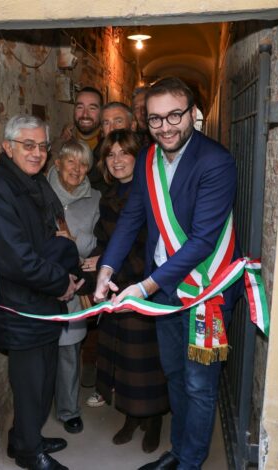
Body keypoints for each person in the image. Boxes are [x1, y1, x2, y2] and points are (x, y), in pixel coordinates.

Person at [94, 78, 241, 470]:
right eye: (155, 118)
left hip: (206, 290)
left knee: (199, 384)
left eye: (175, 115)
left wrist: (143, 287)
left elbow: (202, 241)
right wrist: (106, 268)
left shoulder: (215, 161)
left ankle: (191, 461)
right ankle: (178, 452)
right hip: (163, 290)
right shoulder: (147, 158)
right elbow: (131, 218)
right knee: (174, 374)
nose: (165, 127)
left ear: (193, 113)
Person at [0, 114, 83, 470]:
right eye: (28, 145)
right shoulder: (2, 188)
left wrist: (63, 270)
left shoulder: (32, 183)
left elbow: (48, 239)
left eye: (42, 146)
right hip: (23, 305)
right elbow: (16, 259)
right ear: (7, 147)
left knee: (42, 381)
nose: (37, 153)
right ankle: (29, 453)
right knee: (30, 385)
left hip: (43, 300)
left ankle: (24, 439)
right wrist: (62, 282)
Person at [82, 130, 169, 453]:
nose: (116, 160)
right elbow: (105, 240)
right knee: (122, 359)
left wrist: (118, 271)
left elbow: (152, 244)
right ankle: (132, 416)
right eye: (110, 154)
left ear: (138, 157)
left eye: (124, 153)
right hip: (115, 285)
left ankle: (154, 418)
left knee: (145, 362)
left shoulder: (151, 193)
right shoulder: (108, 194)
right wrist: (100, 261)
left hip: (144, 286)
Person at [46, 140, 101, 435]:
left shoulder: (96, 199)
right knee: (40, 349)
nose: (77, 169)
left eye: (83, 164)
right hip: (41, 280)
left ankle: (68, 410)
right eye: (71, 161)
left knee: (69, 349)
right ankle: (39, 405)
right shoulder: (39, 193)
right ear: (58, 163)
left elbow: (101, 243)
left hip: (76, 280)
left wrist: (78, 247)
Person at [56, 87, 104, 187]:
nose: (85, 114)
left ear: (102, 112)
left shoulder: (110, 147)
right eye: (80, 107)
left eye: (92, 108)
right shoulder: (60, 146)